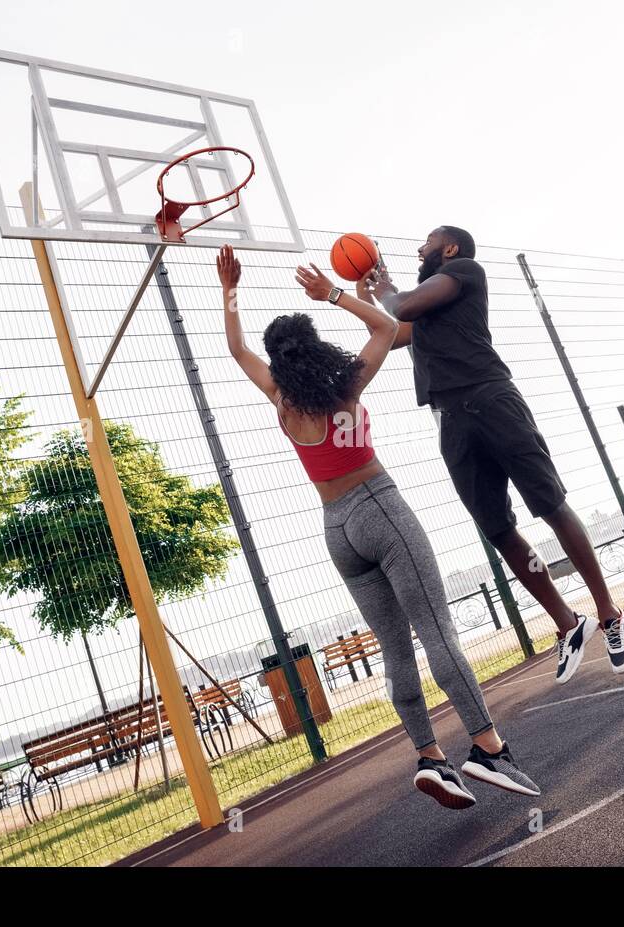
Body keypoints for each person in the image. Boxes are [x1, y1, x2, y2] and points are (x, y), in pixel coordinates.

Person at [214, 244, 539, 810]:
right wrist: (334, 294)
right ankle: (488, 747)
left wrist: (230, 289)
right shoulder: (345, 385)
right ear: (314, 348)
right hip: (380, 507)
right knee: (438, 631)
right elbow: (388, 326)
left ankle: (430, 757)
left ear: (280, 360)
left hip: (336, 530)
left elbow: (235, 348)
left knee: (395, 651)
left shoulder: (281, 399)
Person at [364, 226, 624, 685]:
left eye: (428, 241)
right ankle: (569, 625)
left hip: (492, 400)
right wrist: (358, 293)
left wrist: (386, 288)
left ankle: (610, 613)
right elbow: (394, 331)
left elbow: (404, 305)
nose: (420, 247)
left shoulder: (464, 271)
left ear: (449, 249)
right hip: (451, 418)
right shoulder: (427, 305)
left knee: (549, 504)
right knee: (498, 529)